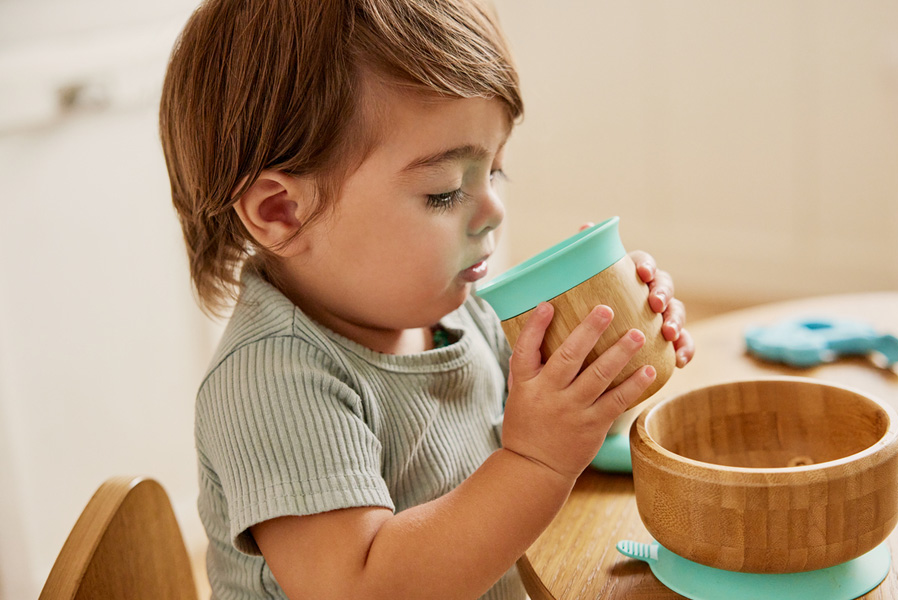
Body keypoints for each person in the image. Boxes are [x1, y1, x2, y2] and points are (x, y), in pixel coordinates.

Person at [159, 0, 695, 598]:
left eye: (494, 171)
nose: (492, 210)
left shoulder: (458, 309)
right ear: (282, 210)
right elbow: (363, 587)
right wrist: (536, 461)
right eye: (444, 192)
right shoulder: (271, 381)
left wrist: (604, 365)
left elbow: (548, 429)